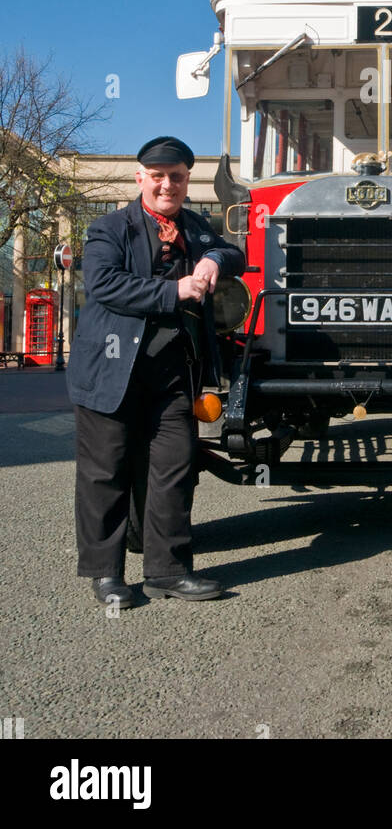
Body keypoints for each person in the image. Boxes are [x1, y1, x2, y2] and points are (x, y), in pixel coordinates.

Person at [67, 136, 246, 608]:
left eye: (178, 176)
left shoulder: (195, 225)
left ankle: (168, 570)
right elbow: (104, 284)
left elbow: (237, 256)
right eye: (159, 176)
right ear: (140, 178)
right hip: (112, 372)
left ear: (188, 180)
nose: (168, 184)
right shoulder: (109, 228)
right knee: (106, 473)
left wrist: (212, 257)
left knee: (174, 469)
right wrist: (176, 291)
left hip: (173, 376)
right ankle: (106, 575)